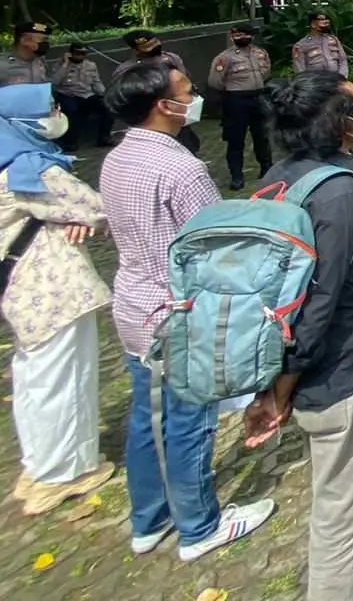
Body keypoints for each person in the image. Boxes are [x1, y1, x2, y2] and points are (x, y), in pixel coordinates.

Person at [243, 73, 353, 601]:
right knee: (338, 510)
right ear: (340, 122)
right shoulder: (338, 191)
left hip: (302, 363)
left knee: (341, 489)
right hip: (340, 372)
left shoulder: (281, 175)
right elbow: (321, 301)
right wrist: (281, 390)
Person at [100, 62, 275, 559]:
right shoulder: (180, 168)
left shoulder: (117, 159)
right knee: (187, 422)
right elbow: (216, 247)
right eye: (187, 91)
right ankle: (200, 527)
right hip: (177, 312)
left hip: (134, 305)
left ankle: (149, 520)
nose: (194, 96)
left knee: (147, 419)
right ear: (164, 105)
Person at [0, 84, 116, 517]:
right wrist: (81, 219)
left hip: (22, 294)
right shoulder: (29, 169)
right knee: (63, 381)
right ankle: (65, 473)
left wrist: (74, 220)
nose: (56, 113)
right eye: (47, 109)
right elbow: (98, 208)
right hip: (52, 292)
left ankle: (39, 467)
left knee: (34, 381)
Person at [209, 22, 274, 191]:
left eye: (243, 35)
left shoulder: (261, 53)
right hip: (236, 100)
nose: (240, 38)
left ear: (251, 36)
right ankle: (237, 176)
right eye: (236, 36)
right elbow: (215, 81)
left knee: (262, 136)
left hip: (258, 97)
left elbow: (266, 72)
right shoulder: (225, 57)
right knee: (235, 140)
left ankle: (267, 168)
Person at [113, 31, 199, 155]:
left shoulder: (172, 59)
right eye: (148, 47)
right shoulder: (127, 70)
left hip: (176, 111)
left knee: (188, 145)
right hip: (150, 119)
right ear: (136, 50)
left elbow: (184, 81)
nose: (153, 48)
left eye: (154, 44)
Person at [52, 42, 111, 151]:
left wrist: (105, 94)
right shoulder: (61, 65)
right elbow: (55, 82)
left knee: (107, 107)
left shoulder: (90, 65)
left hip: (86, 95)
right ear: (70, 53)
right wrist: (65, 64)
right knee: (71, 110)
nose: (80, 56)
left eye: (83, 53)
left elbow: (96, 82)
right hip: (68, 94)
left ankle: (104, 138)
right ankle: (70, 142)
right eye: (77, 53)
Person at [293, 11, 350, 78]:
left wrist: (342, 78)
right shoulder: (301, 45)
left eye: (327, 19)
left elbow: (343, 60)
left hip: (335, 80)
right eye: (322, 19)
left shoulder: (334, 40)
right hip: (315, 83)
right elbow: (299, 69)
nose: (326, 22)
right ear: (313, 24)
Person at [2, 22, 51, 87]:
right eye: (43, 40)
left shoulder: (40, 61)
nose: (46, 44)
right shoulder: (3, 65)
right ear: (25, 40)